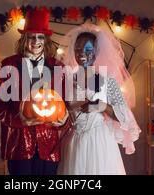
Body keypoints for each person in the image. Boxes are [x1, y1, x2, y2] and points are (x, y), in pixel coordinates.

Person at [0, 8, 71, 175]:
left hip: (49, 145)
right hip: (18, 144)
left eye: (40, 36)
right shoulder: (9, 65)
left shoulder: (58, 67)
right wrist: (18, 120)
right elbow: (0, 107)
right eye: (31, 36)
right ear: (24, 38)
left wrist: (63, 121)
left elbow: (65, 105)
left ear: (46, 39)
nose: (36, 41)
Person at [58, 24, 141, 175]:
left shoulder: (108, 80)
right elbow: (58, 109)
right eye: (78, 50)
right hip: (74, 142)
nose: (82, 53)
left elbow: (124, 117)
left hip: (100, 141)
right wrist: (65, 110)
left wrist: (101, 106)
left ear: (96, 52)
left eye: (88, 50)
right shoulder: (67, 78)